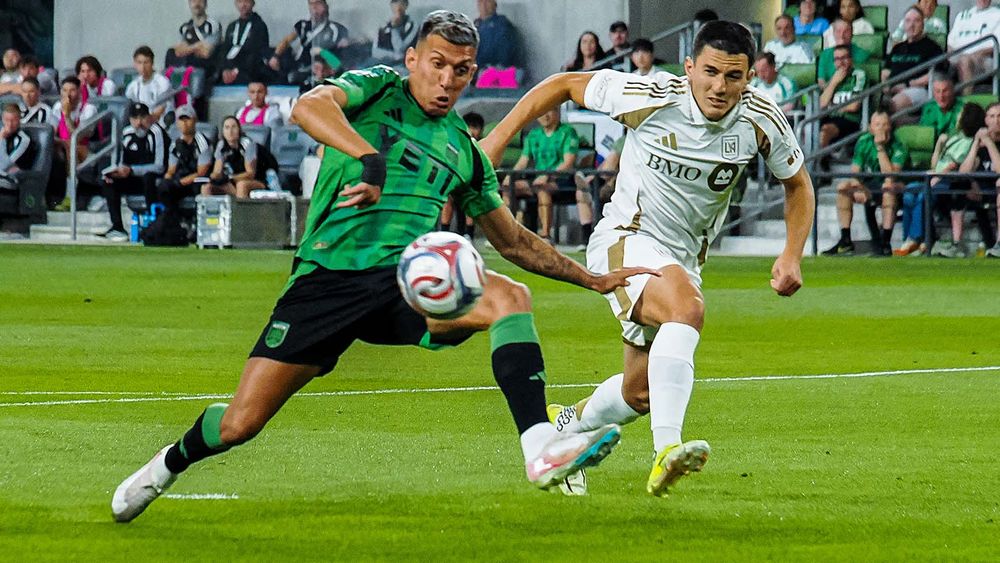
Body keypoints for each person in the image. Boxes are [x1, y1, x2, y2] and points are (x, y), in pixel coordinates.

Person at [111, 10, 645, 523]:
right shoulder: (379, 87)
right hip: (327, 280)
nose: (446, 79)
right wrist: (371, 158)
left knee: (509, 298)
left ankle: (539, 447)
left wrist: (589, 277)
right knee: (239, 424)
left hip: (404, 284)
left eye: (460, 70)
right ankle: (166, 465)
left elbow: (515, 243)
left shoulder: (465, 150)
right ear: (412, 59)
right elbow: (309, 107)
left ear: (471, 74)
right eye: (437, 63)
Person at [481, 20, 814, 497]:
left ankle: (564, 432)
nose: (720, 87)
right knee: (688, 309)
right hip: (626, 238)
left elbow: (797, 183)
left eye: (734, 76)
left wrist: (791, 253)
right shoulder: (650, 95)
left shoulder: (760, 120)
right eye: (711, 72)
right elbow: (561, 85)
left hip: (684, 259)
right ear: (689, 67)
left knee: (640, 392)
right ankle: (666, 451)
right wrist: (495, 141)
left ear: (749, 78)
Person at [822, 111, 908, 256]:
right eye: (878, 125)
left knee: (888, 188)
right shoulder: (863, 141)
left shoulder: (899, 145)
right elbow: (855, 172)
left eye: (885, 124)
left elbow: (891, 176)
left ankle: (885, 242)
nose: (882, 128)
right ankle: (845, 240)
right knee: (843, 188)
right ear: (870, 128)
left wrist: (880, 148)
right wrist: (859, 188)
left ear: (890, 127)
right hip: (868, 186)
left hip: (892, 186)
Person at [501, 108, 580, 243]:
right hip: (536, 179)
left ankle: (545, 235)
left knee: (543, 189)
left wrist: (548, 175)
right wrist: (510, 176)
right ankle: (508, 233)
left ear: (558, 112)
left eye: (549, 111)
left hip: (561, 180)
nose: (545, 116)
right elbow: (523, 161)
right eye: (541, 113)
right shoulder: (534, 134)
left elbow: (568, 163)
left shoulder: (568, 132)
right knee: (508, 188)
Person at [98, 102, 169, 241]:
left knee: (149, 178)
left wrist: (132, 170)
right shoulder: (127, 133)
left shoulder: (157, 132)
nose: (139, 122)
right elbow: (123, 161)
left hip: (152, 179)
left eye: (142, 117)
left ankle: (153, 223)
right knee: (109, 181)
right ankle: (117, 226)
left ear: (149, 117)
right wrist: (116, 172)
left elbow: (160, 166)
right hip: (132, 177)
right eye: (135, 118)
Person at [925, 103, 987, 258]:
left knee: (952, 194)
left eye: (961, 113)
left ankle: (953, 243)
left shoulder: (969, 143)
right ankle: (930, 241)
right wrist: (939, 145)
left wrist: (938, 176)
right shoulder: (955, 138)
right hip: (938, 179)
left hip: (950, 181)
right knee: (915, 195)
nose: (958, 115)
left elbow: (956, 166)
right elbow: (936, 163)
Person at [270, 0, 350, 84]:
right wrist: (275, 56)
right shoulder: (303, 26)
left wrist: (322, 54)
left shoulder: (336, 29)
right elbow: (286, 41)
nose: (314, 7)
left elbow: (340, 60)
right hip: (301, 67)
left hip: (323, 70)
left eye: (318, 3)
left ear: (326, 6)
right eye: (311, 4)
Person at [48, 77, 97, 210]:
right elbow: (51, 133)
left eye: (72, 90)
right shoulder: (57, 106)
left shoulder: (89, 109)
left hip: (87, 150)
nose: (68, 94)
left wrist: (67, 115)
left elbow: (78, 136)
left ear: (79, 92)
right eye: (64, 90)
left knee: (71, 145)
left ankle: (70, 196)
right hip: (64, 146)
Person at [883, 6, 943, 114]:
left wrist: (908, 85)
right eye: (908, 21)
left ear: (923, 24)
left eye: (916, 21)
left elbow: (934, 73)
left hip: (918, 89)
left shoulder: (932, 47)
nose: (911, 25)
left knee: (891, 105)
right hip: (892, 89)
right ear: (904, 24)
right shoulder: (897, 48)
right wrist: (887, 86)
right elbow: (885, 72)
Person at [959, 102, 1000, 258]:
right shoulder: (979, 145)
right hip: (981, 193)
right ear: (986, 120)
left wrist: (989, 143)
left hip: (998, 191)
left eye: (999, 116)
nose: (996, 121)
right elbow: (963, 172)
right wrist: (976, 143)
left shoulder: (989, 144)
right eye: (992, 116)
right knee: (960, 187)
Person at [159, 104, 213, 215]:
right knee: (163, 187)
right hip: (181, 180)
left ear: (194, 120)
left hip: (197, 181)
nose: (184, 123)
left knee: (200, 186)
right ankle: (171, 220)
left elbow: (201, 172)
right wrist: (167, 180)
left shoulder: (203, 142)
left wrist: (180, 182)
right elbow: (171, 170)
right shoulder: (175, 144)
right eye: (181, 120)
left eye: (187, 119)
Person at [440, 111, 483, 239]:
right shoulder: (452, 144)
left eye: (475, 127)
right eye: (469, 127)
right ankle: (444, 233)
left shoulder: (482, 146)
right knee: (447, 196)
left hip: (473, 184)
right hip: (454, 181)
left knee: (470, 195)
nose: (472, 131)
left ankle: (468, 234)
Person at [203, 115, 265, 198]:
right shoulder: (221, 145)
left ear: (239, 129)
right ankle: (211, 210)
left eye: (233, 127)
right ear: (223, 131)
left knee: (241, 185)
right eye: (227, 128)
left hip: (256, 181)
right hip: (232, 182)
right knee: (206, 188)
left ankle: (240, 211)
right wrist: (213, 177)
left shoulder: (247, 144)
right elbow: (217, 171)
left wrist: (230, 178)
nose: (230, 131)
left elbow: (251, 173)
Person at [819, 45, 866, 150]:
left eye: (844, 58)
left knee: (825, 130)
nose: (840, 63)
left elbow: (854, 106)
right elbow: (822, 104)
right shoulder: (834, 77)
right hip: (830, 117)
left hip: (850, 119)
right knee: (807, 129)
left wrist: (833, 108)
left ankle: (819, 163)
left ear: (851, 60)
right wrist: (833, 83)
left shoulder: (859, 75)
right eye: (837, 59)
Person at [949, 0, 1000, 95]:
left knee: (965, 61)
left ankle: (966, 100)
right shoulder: (963, 15)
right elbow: (950, 43)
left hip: (984, 58)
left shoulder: (997, 14)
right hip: (958, 56)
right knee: (938, 64)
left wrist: (972, 55)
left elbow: (995, 45)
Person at [218, 0, 271, 85]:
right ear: (236, 4)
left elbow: (258, 54)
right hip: (230, 70)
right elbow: (225, 51)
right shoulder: (232, 26)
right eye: (240, 1)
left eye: (246, 1)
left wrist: (235, 72)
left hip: (249, 71)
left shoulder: (259, 26)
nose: (243, 5)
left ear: (253, 3)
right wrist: (225, 69)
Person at [167, 0, 222, 69]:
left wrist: (188, 49)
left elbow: (206, 52)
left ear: (206, 4)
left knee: (190, 59)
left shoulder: (213, 25)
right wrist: (198, 46)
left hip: (206, 68)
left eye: (200, 1)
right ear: (189, 4)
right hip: (187, 66)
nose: (197, 4)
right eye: (194, 1)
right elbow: (179, 52)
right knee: (170, 53)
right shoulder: (184, 27)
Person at [817, 19, 870, 90]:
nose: (842, 35)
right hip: (830, 94)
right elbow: (821, 82)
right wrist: (833, 84)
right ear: (833, 33)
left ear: (852, 33)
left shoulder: (862, 54)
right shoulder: (824, 55)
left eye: (846, 31)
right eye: (838, 31)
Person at [125, 46, 173, 124]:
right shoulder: (133, 85)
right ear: (135, 64)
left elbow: (161, 109)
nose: (143, 67)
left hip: (159, 124)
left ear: (152, 63)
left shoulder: (163, 82)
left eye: (146, 62)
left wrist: (145, 122)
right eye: (139, 63)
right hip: (138, 123)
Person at [0, 103, 36, 192]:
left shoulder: (24, 140)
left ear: (19, 120)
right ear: (2, 119)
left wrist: (2, 139)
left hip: (14, 180)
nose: (10, 124)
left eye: (13, 120)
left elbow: (5, 165)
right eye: (7, 120)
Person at [371, 0, 418, 66]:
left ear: (406, 5)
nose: (398, 6)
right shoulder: (383, 26)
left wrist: (395, 29)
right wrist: (392, 55)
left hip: (403, 65)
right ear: (391, 5)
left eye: (401, 3)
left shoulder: (412, 26)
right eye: (395, 2)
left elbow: (399, 50)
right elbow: (375, 51)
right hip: (383, 63)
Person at [474, 0, 517, 69]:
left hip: (493, 70)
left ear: (495, 4)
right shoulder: (476, 25)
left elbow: (504, 56)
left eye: (488, 1)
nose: (484, 5)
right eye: (481, 1)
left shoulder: (502, 25)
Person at [919, 74, 963, 139]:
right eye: (937, 91)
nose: (941, 96)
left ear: (952, 91)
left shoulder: (963, 108)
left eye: (945, 91)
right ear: (933, 92)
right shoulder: (929, 108)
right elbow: (924, 135)